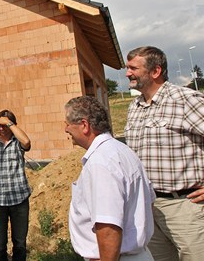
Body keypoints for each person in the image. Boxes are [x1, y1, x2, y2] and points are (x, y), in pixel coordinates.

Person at [124, 46, 204, 261]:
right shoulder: (135, 107)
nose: (127, 73)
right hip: (148, 208)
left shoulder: (185, 100)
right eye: (127, 67)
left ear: (155, 71)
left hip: (185, 208)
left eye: (133, 68)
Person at [65, 96, 155, 261]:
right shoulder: (122, 151)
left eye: (68, 124)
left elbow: (108, 226)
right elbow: (148, 201)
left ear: (84, 125)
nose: (66, 129)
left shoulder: (101, 162)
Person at [0, 109, 32, 261]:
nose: (1, 128)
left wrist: (9, 122)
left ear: (11, 125)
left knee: (20, 244)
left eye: (4, 125)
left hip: (19, 199)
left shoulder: (18, 143)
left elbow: (27, 142)